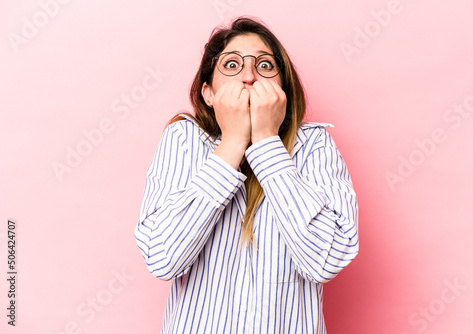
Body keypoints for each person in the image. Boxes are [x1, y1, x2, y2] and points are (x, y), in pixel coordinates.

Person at [134, 16, 359, 334]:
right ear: (209, 93)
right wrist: (233, 142)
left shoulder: (314, 145)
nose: (249, 76)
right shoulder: (184, 139)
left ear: (283, 90)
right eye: (231, 65)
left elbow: (327, 259)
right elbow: (162, 257)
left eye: (265, 65)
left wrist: (266, 141)